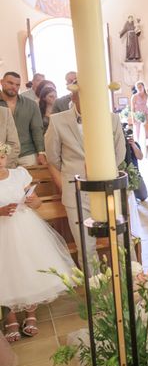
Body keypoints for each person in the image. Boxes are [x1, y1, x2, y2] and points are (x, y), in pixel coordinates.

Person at [0, 143, 75, 343]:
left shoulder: (19, 174)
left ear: (6, 156)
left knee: (28, 267)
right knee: (6, 272)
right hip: (2, 232)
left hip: (25, 228)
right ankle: (11, 318)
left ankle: (31, 313)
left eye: (1, 156)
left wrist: (34, 201)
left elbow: (37, 202)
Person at [45, 91, 126, 264]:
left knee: (120, 241)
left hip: (107, 188)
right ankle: (95, 287)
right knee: (86, 247)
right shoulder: (58, 120)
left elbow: (119, 153)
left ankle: (132, 284)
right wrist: (75, 172)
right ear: (73, 97)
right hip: (76, 190)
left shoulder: (112, 118)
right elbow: (53, 157)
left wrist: (102, 172)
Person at [0, 72, 47, 167]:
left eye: (17, 85)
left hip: (27, 152)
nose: (14, 87)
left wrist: (41, 152)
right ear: (1, 82)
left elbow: (37, 129)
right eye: (10, 83)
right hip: (3, 155)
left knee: (31, 181)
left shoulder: (31, 105)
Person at [130, 81, 148, 151]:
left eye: (140, 86)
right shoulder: (134, 97)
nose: (139, 88)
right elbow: (132, 108)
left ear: (143, 87)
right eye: (137, 87)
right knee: (139, 133)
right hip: (139, 117)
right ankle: (141, 149)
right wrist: (133, 118)